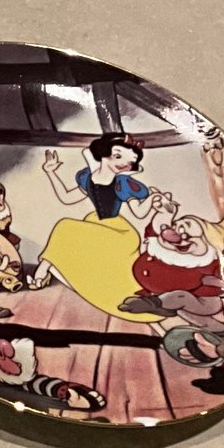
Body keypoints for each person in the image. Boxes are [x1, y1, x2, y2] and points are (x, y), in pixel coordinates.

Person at [37, 135, 169, 321]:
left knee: (65, 227)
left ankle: (43, 269)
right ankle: (50, 271)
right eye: (118, 156)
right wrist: (51, 172)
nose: (124, 164)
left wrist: (152, 200)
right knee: (71, 234)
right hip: (96, 225)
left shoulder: (123, 184)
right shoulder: (87, 178)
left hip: (120, 233)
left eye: (130, 161)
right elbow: (66, 198)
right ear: (103, 154)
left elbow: (139, 213)